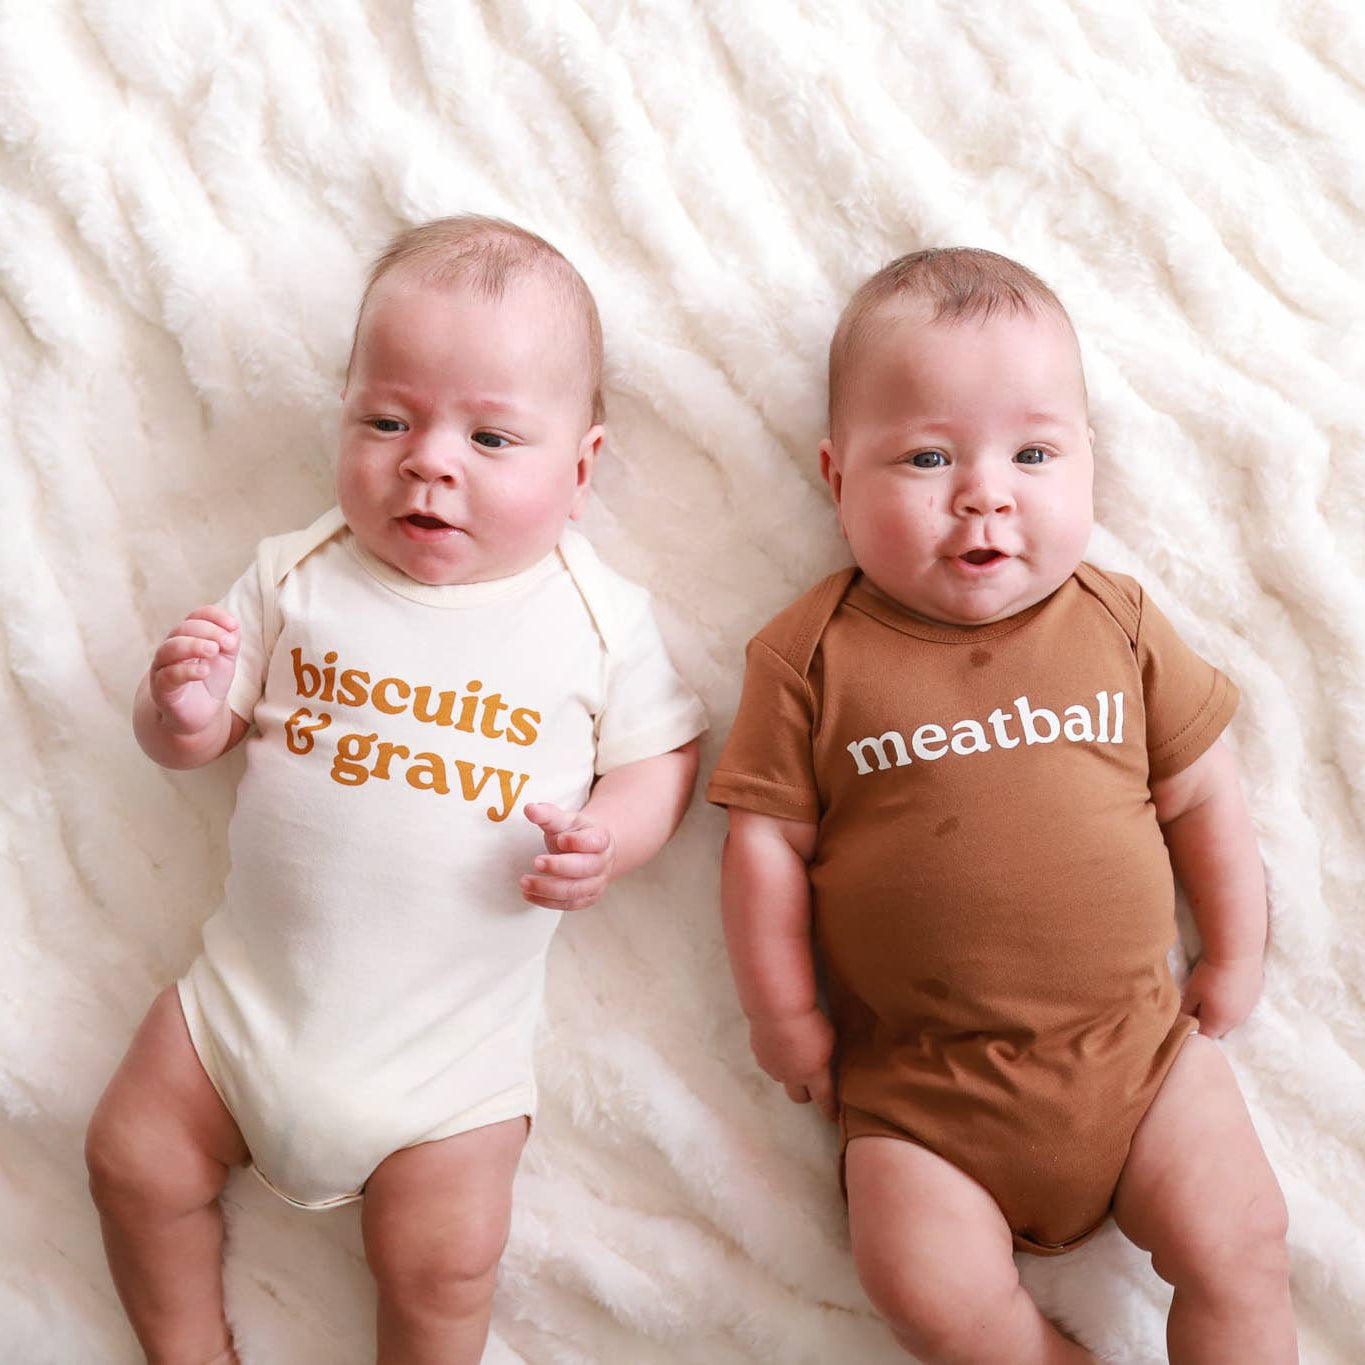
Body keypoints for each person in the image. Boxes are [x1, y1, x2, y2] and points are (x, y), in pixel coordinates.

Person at [86, 215, 706, 1365]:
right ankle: (185, 1348)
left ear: (581, 469)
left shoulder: (595, 618)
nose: (429, 460)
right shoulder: (297, 570)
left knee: (445, 1264)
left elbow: (663, 756)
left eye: (492, 436)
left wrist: (607, 841)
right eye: (387, 420)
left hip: (446, 1073)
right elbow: (201, 740)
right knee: (131, 1156)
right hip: (234, 1019)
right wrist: (178, 711)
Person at [708, 248, 1294, 1363]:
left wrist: (1237, 947)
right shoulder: (811, 653)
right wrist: (781, 1014)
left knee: (1244, 1244)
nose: (986, 493)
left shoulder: (1115, 622)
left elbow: (1203, 789)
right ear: (835, 477)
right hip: (921, 1101)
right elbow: (764, 847)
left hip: (1140, 1060)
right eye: (927, 457)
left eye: (1033, 453)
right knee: (929, 1294)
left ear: (1088, 466)